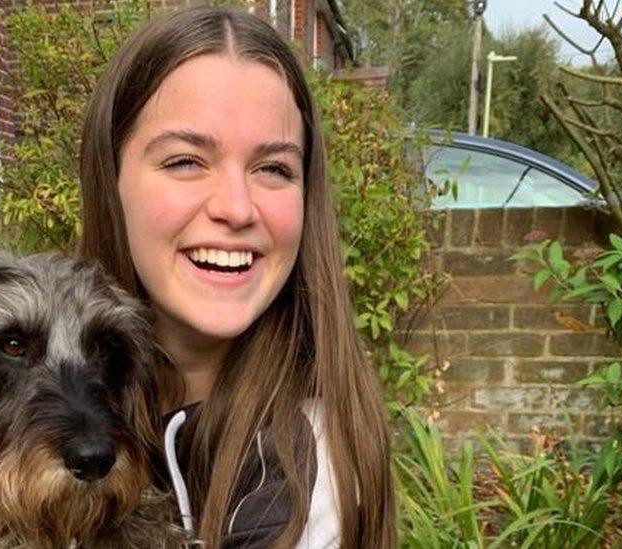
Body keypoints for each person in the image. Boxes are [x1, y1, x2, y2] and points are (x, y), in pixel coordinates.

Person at [77, 6, 395, 548]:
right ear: (112, 178)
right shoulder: (10, 392)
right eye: (185, 161)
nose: (236, 207)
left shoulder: (307, 470)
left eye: (273, 169)